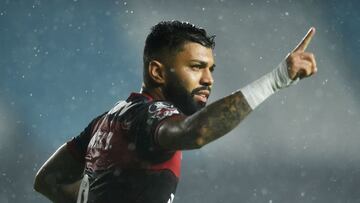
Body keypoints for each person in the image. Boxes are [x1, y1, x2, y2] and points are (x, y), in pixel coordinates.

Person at [34, 20, 317, 203]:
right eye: (196, 67)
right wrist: (276, 80)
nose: (209, 79)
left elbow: (48, 180)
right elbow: (197, 132)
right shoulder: (151, 115)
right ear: (157, 71)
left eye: (211, 69)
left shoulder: (107, 120)